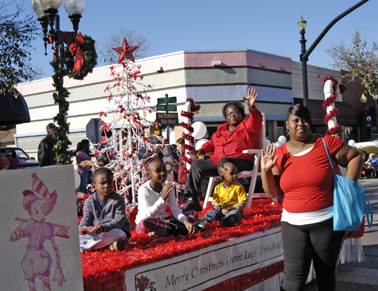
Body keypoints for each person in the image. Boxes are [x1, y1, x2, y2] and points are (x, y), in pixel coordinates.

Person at [261, 104, 363, 291]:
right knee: (293, 279)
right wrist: (265, 170)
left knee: (325, 274)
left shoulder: (325, 143)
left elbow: (355, 156)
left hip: (327, 220)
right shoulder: (280, 153)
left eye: (305, 120)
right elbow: (273, 193)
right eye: (296, 120)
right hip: (292, 222)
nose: (301, 124)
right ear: (287, 124)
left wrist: (348, 188)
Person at [182, 87, 262, 211]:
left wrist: (252, 107)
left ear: (241, 114)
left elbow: (257, 121)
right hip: (219, 162)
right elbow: (211, 143)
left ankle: (225, 199)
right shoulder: (220, 131)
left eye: (235, 112)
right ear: (226, 117)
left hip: (241, 161)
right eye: (229, 114)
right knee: (197, 164)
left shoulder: (247, 125)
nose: (233, 115)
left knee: (224, 162)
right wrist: (201, 150)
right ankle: (192, 199)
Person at [135, 154, 198, 236]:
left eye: (164, 170)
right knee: (147, 222)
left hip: (163, 221)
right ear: (148, 174)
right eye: (158, 171)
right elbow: (147, 215)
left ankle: (169, 229)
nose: (162, 173)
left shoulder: (168, 185)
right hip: (147, 222)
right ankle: (175, 228)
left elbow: (175, 210)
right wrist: (162, 198)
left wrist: (186, 222)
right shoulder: (143, 189)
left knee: (193, 214)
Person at [79, 167, 131, 252]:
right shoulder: (89, 201)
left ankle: (85, 247)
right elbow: (87, 218)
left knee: (117, 233)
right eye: (102, 183)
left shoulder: (118, 200)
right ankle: (106, 245)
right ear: (94, 186)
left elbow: (119, 221)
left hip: (114, 231)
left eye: (109, 182)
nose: (106, 186)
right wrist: (83, 228)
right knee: (76, 234)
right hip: (99, 233)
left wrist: (103, 228)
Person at [195, 161, 247, 230]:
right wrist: (217, 205)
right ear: (223, 176)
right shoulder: (218, 187)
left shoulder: (239, 187)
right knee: (213, 212)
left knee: (235, 213)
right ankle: (208, 219)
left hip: (234, 209)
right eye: (232, 174)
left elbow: (242, 203)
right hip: (221, 209)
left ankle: (227, 220)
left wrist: (231, 208)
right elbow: (215, 200)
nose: (235, 175)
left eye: (236, 173)